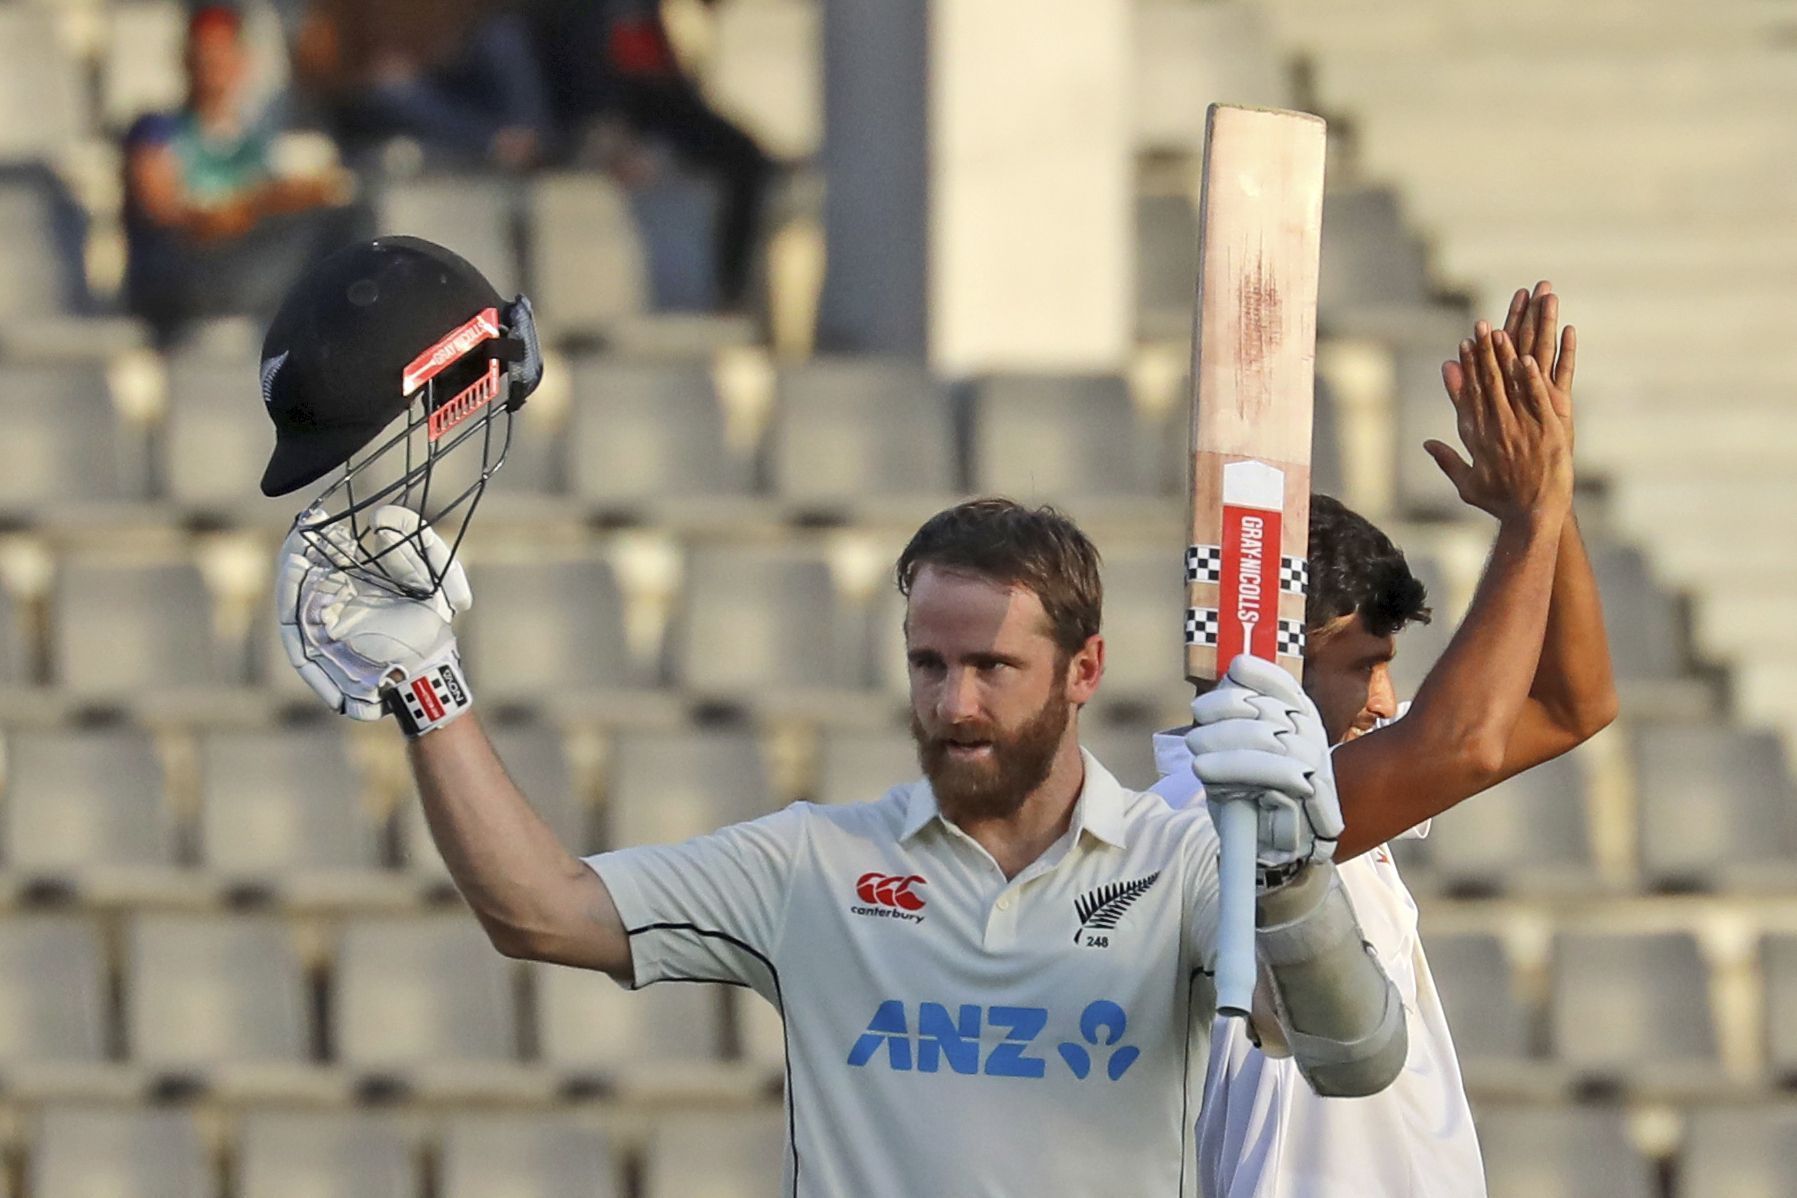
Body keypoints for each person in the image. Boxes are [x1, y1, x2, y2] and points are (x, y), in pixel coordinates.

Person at [261, 253, 1411, 1197]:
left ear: (1084, 671)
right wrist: (427, 694)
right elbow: (537, 910)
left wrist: (1295, 877)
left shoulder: (1181, 867)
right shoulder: (816, 867)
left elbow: (1355, 1061)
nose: (954, 703)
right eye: (928, 663)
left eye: (993, 667)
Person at [1158, 282, 1618, 1197]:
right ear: (1271, 661)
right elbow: (1463, 744)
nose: (1383, 699)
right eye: (1360, 664)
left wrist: (1551, 503)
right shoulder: (1216, 811)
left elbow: (1575, 705)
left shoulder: (1334, 789)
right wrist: (1528, 516)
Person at [123, 4, 355, 340]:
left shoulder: (255, 143)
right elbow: (165, 213)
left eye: (222, 54)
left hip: (244, 270)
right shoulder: (157, 131)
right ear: (185, 59)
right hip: (185, 280)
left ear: (242, 63)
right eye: (203, 55)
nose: (212, 66)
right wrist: (253, 206)